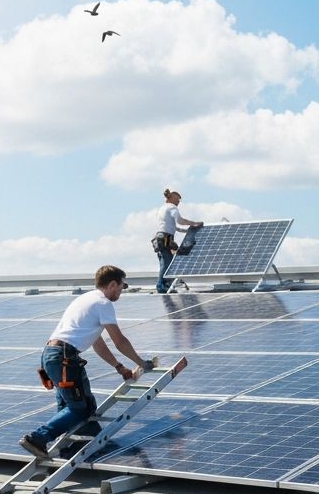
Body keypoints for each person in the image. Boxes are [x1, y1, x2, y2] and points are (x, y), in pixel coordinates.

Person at [19, 265, 155, 459]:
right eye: (122, 287)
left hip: (54, 356)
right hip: (65, 358)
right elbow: (119, 341)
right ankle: (38, 438)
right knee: (79, 409)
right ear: (113, 284)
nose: (121, 292)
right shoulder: (103, 303)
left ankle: (76, 447)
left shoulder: (85, 300)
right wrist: (141, 362)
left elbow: (97, 344)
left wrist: (119, 367)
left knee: (77, 407)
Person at [152, 188, 203, 293]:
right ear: (172, 198)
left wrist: (186, 231)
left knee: (164, 262)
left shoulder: (162, 209)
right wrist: (195, 223)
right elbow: (180, 221)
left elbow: (172, 227)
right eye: (178, 200)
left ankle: (163, 284)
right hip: (165, 238)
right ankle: (161, 286)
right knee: (167, 262)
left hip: (159, 238)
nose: (178, 203)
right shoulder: (172, 207)